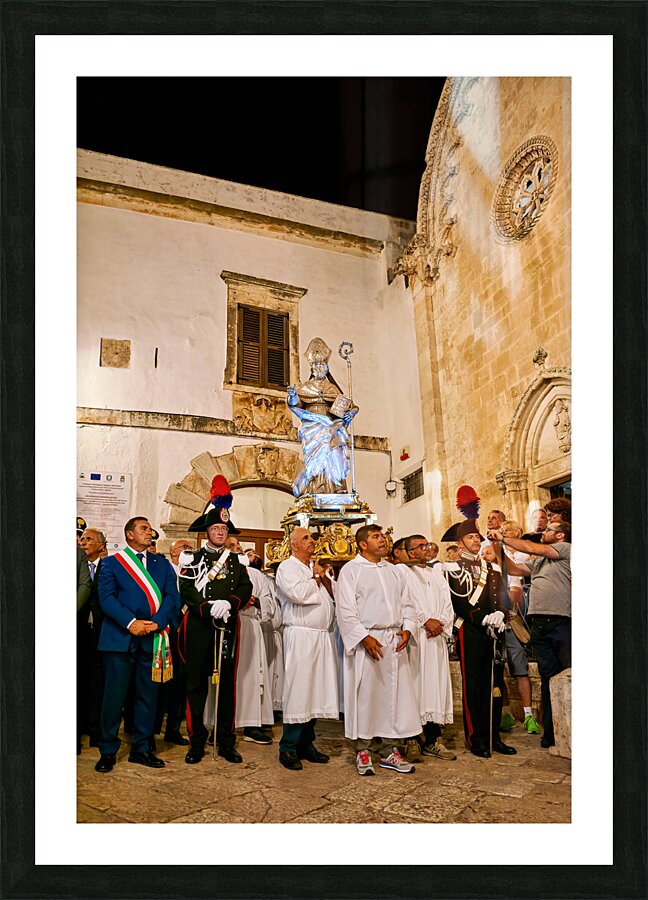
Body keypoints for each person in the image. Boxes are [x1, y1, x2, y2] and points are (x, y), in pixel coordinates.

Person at [94, 517, 180, 773]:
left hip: (153, 637)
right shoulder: (112, 563)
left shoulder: (161, 564)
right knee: (114, 697)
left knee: (148, 696)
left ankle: (141, 748)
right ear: (129, 534)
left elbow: (172, 597)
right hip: (121, 637)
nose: (149, 532)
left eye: (150, 529)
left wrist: (157, 622)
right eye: (144, 528)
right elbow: (106, 598)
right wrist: (131, 622)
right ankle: (107, 750)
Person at [335, 524, 420, 776]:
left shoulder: (394, 571)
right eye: (376, 537)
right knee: (366, 696)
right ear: (363, 544)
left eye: (382, 536)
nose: (383, 540)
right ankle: (362, 749)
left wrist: (408, 628)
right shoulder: (351, 571)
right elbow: (345, 610)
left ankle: (390, 750)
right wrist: (363, 637)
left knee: (393, 697)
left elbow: (408, 603)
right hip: (368, 641)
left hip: (393, 640)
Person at [179, 476, 252, 764]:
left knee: (226, 688)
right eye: (216, 528)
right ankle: (196, 742)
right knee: (196, 686)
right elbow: (185, 589)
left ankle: (225, 741)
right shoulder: (191, 559)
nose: (220, 532)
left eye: (223, 528)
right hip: (198, 628)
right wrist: (207, 607)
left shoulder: (236, 561)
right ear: (206, 531)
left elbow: (245, 589)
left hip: (227, 629)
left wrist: (230, 604)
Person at [487, 519, 571, 749]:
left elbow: (532, 547)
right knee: (547, 677)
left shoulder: (565, 549)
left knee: (568, 675)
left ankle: (572, 728)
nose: (544, 532)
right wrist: (497, 545)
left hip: (561, 621)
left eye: (549, 529)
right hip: (539, 623)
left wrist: (503, 536)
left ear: (561, 535)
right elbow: (512, 568)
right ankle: (552, 732)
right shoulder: (540, 562)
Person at [441, 518, 517, 759]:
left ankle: (495, 737)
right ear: (460, 543)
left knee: (495, 685)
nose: (475, 540)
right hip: (471, 630)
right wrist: (483, 618)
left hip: (494, 630)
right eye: (470, 538)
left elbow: (503, 595)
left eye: (477, 537)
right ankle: (477, 738)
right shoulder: (452, 568)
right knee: (474, 686)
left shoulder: (491, 568)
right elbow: (458, 602)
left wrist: (501, 613)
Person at [274, 527, 338, 770]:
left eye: (312, 537)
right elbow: (298, 594)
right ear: (293, 545)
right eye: (306, 538)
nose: (312, 541)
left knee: (316, 692)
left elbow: (334, 597)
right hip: (300, 636)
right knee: (299, 691)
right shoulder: (287, 567)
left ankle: (306, 744)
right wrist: (316, 576)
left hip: (322, 637)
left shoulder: (316, 568)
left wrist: (324, 578)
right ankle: (288, 747)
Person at [402, 534, 456, 760]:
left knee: (436, 687)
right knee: (415, 686)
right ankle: (411, 740)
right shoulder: (403, 572)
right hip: (417, 639)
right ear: (410, 551)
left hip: (436, 638)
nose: (426, 549)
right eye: (420, 546)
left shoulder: (436, 573)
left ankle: (434, 738)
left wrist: (441, 622)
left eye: (427, 545)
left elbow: (447, 602)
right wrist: (425, 620)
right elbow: (405, 602)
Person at [286, 337, 358, 497]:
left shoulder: (332, 388)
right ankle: (316, 487)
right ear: (311, 368)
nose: (320, 367)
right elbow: (297, 405)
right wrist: (292, 396)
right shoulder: (306, 387)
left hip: (332, 427)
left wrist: (351, 411)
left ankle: (336, 488)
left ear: (326, 367)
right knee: (316, 459)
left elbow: (346, 406)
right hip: (313, 428)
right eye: (316, 365)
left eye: (322, 365)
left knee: (334, 454)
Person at [225, 537, 275, 745]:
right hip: (227, 626)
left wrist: (256, 602)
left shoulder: (255, 575)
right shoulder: (218, 570)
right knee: (227, 677)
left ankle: (252, 725)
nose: (237, 549)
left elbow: (270, 603)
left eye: (238, 546)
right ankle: (221, 725)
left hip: (250, 627)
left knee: (253, 677)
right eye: (231, 546)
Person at [497, 521, 540, 734]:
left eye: (507, 531)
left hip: (513, 618)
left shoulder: (520, 556)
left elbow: (516, 590)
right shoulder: (495, 559)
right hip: (495, 622)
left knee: (520, 669)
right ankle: (506, 714)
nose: (504, 534)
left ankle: (529, 716)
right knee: (498, 671)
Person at [154, 538, 194, 746]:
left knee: (181, 685)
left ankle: (173, 729)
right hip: (168, 633)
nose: (189, 551)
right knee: (161, 685)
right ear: (173, 553)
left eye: (190, 548)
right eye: (184, 548)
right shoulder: (165, 571)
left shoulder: (195, 572)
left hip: (187, 635)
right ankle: (153, 729)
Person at [78, 528, 107, 749]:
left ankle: (96, 728)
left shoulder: (108, 568)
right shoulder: (75, 565)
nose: (83, 542)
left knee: (98, 681)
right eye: (82, 538)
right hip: (78, 631)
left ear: (100, 546)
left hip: (100, 632)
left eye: (89, 539)